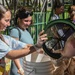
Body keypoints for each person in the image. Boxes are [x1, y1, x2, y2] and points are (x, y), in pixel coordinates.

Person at [0, 4, 47, 75]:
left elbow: (24, 46)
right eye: (6, 20)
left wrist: (39, 46)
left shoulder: (4, 38)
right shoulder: (15, 31)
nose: (9, 24)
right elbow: (11, 54)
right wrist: (36, 47)